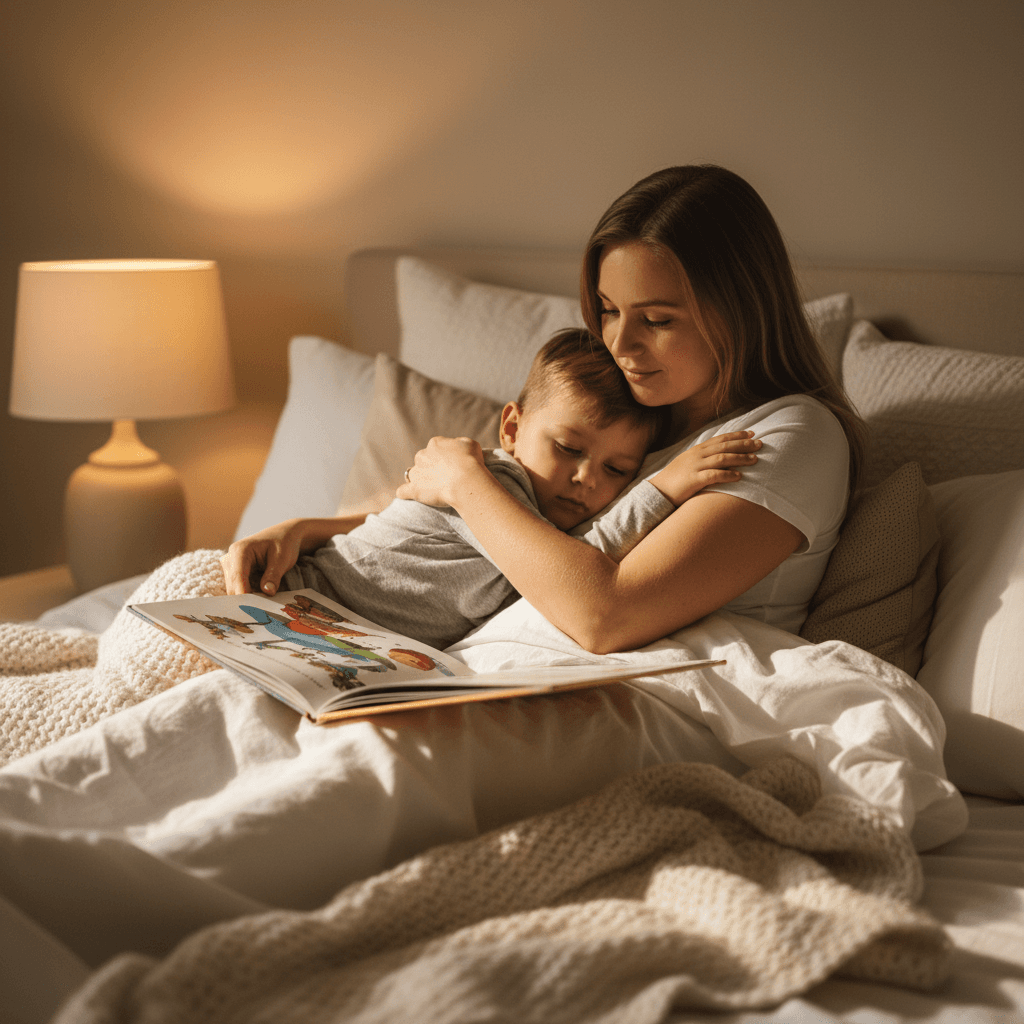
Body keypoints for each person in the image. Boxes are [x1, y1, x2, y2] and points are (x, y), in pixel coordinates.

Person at [389, 165, 865, 652]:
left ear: (740, 311)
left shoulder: (791, 435)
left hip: (665, 695)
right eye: (609, 310)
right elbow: (487, 535)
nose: (619, 343)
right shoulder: (634, 416)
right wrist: (316, 530)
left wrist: (466, 483)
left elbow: (604, 617)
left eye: (657, 319)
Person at [223, 327, 762, 650]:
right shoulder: (494, 485)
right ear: (511, 429)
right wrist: (663, 488)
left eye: (619, 470)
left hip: (327, 633)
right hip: (282, 596)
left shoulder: (538, 519)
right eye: (569, 448)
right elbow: (589, 559)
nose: (587, 478)